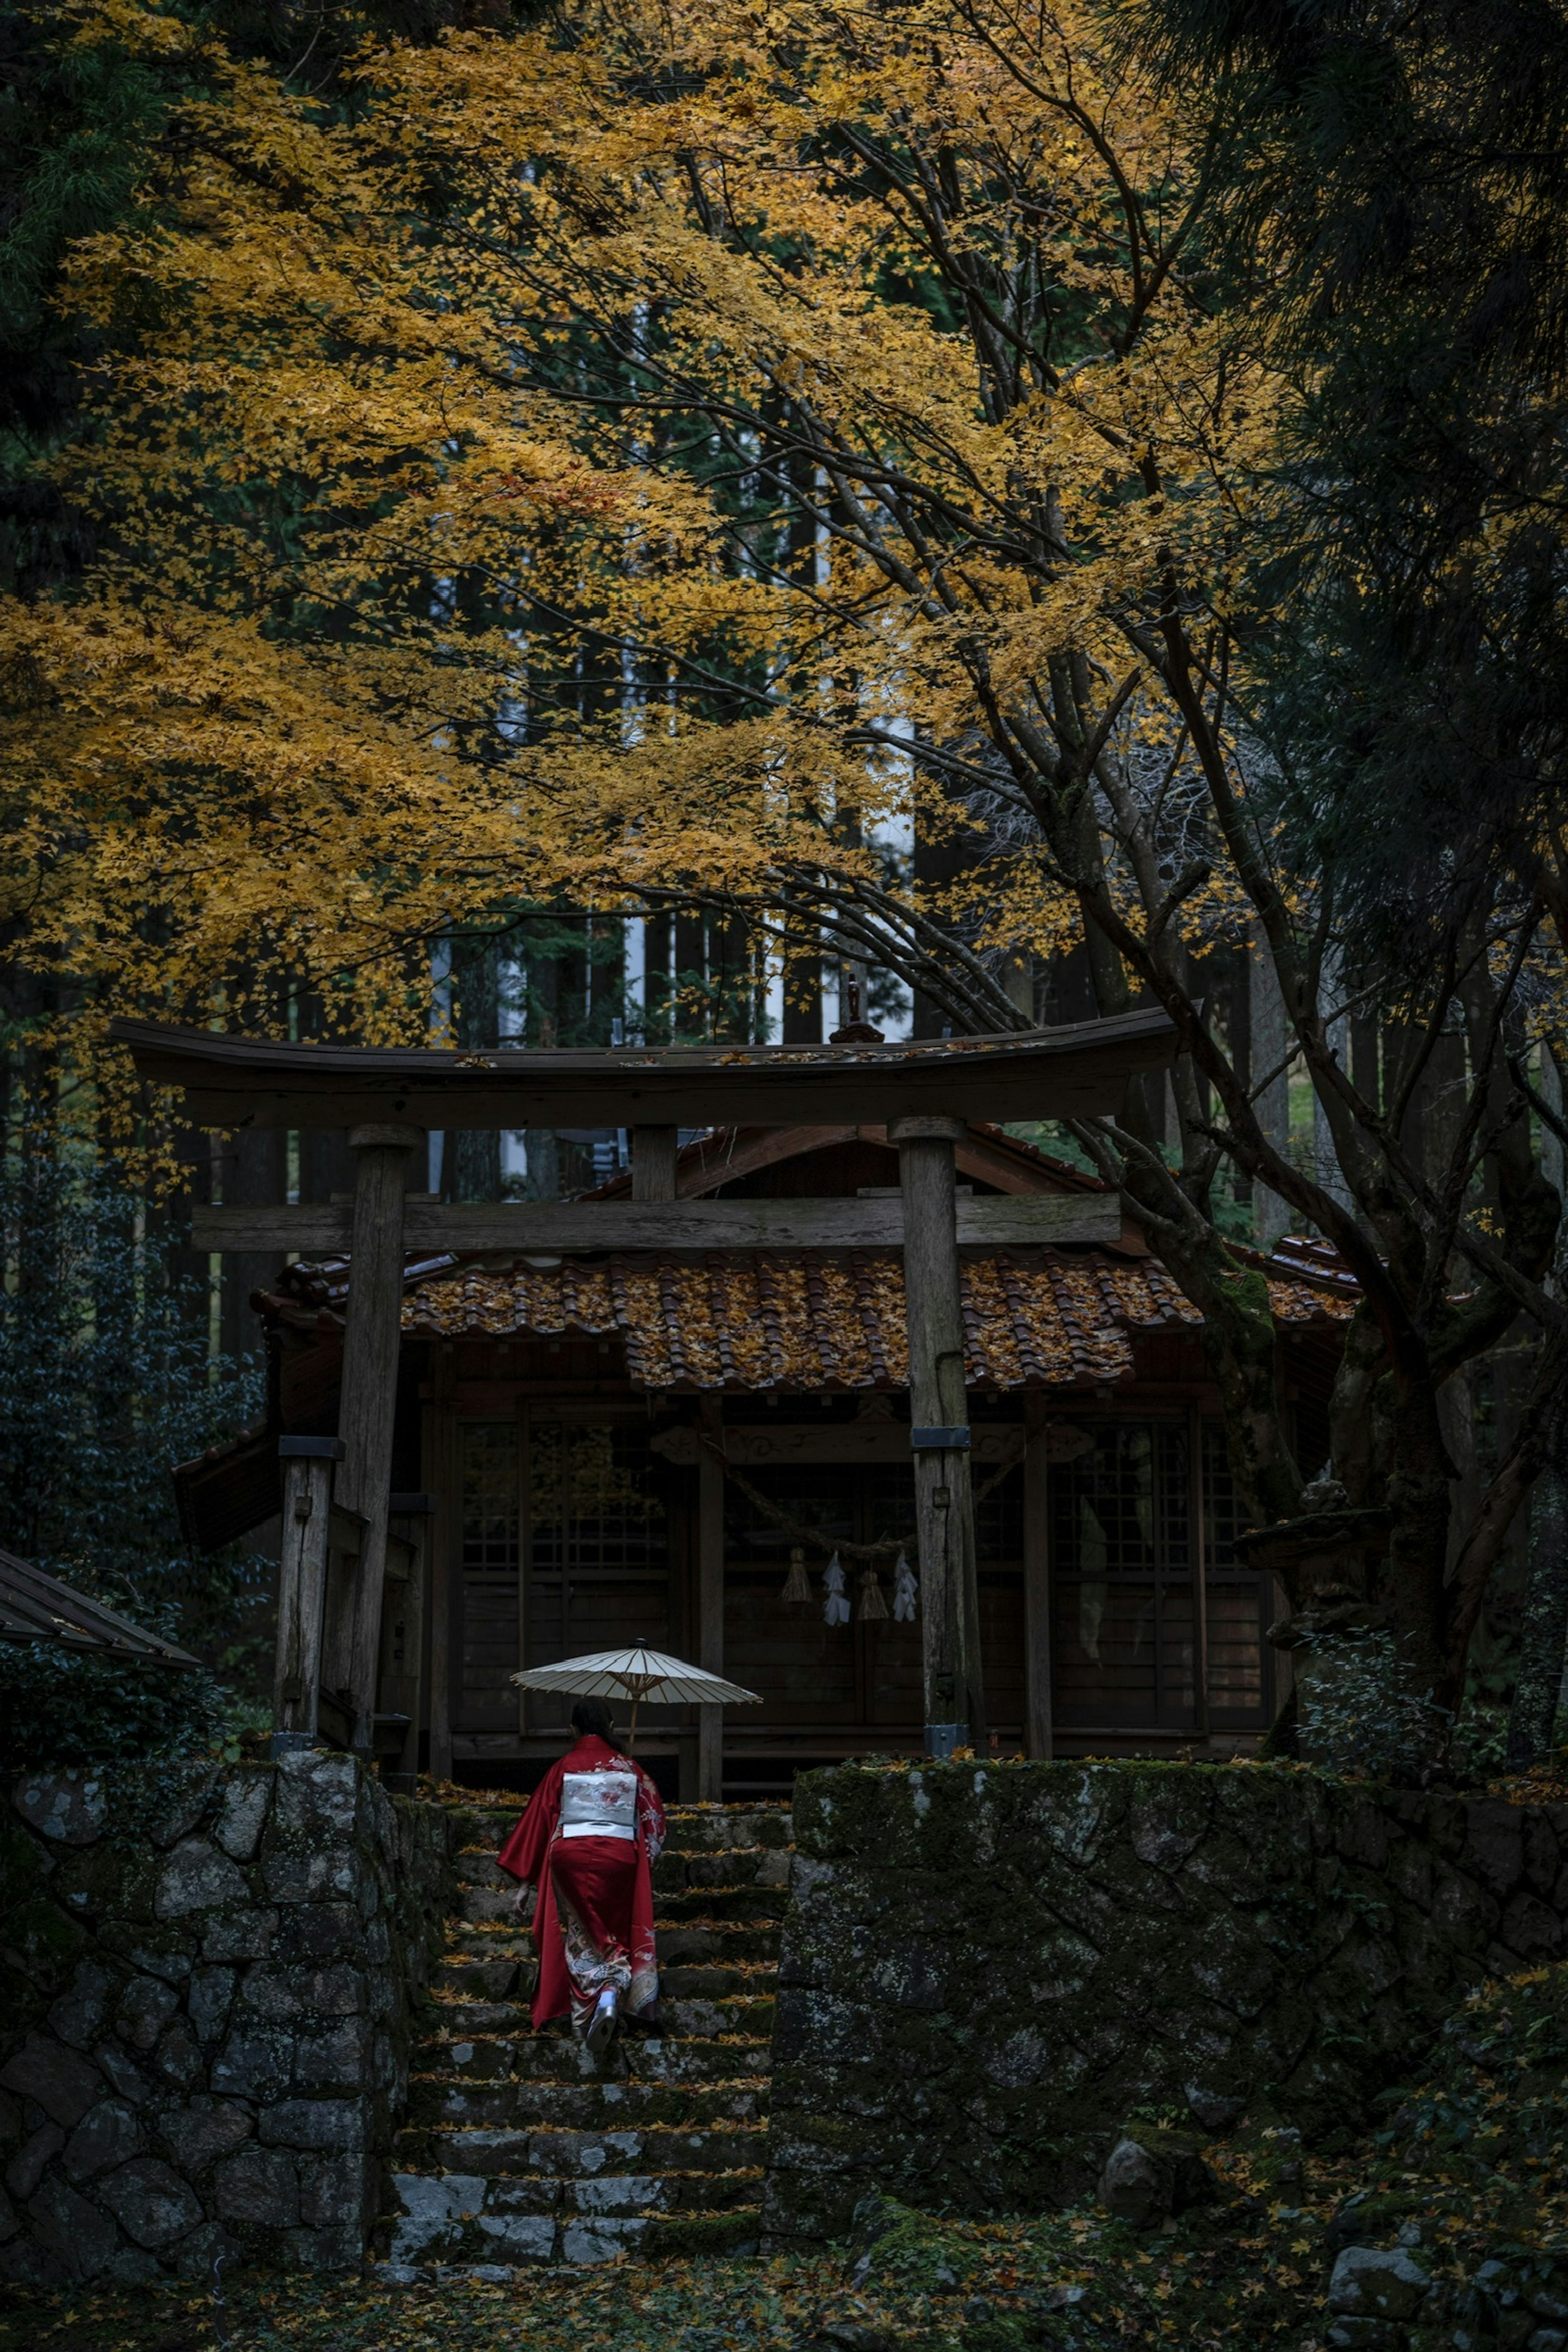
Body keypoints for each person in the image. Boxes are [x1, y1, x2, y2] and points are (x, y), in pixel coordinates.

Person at [497, 1698, 666, 2056]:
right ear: (612, 1727)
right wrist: (645, 1858)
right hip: (619, 1856)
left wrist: (526, 1883)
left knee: (580, 1929)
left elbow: (540, 1821)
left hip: (570, 1855)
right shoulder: (631, 1769)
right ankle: (609, 1992)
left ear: (573, 1730)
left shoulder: (563, 1767)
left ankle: (588, 2013)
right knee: (613, 1929)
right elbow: (654, 1821)